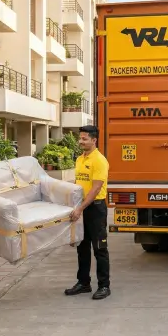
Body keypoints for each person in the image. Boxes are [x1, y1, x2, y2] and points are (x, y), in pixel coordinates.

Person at [64, 125, 112, 300]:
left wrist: (80, 208)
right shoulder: (79, 159)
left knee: (100, 248)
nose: (81, 141)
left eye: (85, 139)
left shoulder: (99, 160)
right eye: (80, 138)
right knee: (82, 247)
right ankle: (83, 283)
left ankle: (104, 286)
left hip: (95, 209)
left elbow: (95, 188)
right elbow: (79, 186)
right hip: (81, 207)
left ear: (94, 140)